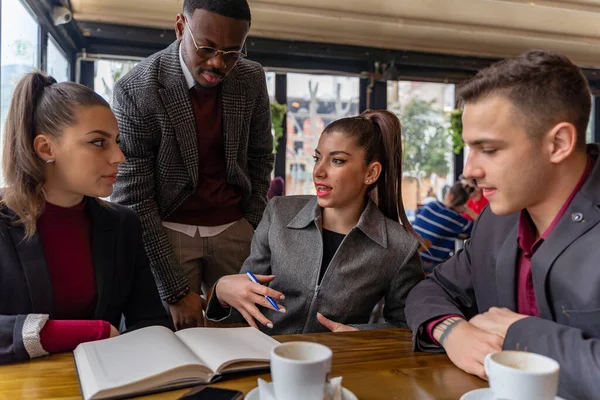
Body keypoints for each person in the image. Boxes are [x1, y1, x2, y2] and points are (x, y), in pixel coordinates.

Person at [405, 50, 600, 400]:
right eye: (470, 148)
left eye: (489, 149)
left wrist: (519, 333)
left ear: (558, 143)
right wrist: (452, 331)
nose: (469, 170)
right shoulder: (494, 222)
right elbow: (429, 290)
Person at [110, 0, 274, 330]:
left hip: (234, 229)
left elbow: (260, 157)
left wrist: (251, 224)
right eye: (208, 48)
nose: (218, 62)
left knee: (244, 337)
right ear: (181, 27)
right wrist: (175, 290)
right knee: (174, 342)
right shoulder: (136, 89)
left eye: (232, 52)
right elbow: (134, 198)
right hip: (167, 231)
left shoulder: (251, 78)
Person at [0, 72, 171, 365]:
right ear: (46, 148)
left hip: (106, 384)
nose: (119, 156)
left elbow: (150, 321)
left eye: (117, 142)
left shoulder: (123, 224)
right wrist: (91, 331)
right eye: (97, 142)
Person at [205, 110, 425, 335]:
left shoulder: (400, 247)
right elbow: (242, 307)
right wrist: (221, 295)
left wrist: (361, 336)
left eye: (337, 161)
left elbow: (407, 327)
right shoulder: (279, 213)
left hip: (336, 363)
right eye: (317, 158)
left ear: (371, 172)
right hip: (264, 357)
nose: (318, 171)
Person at [412, 182, 473, 272]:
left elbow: (418, 217)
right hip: (428, 265)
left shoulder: (431, 205)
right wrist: (467, 210)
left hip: (410, 257)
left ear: (449, 195)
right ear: (463, 204)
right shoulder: (456, 220)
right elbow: (477, 229)